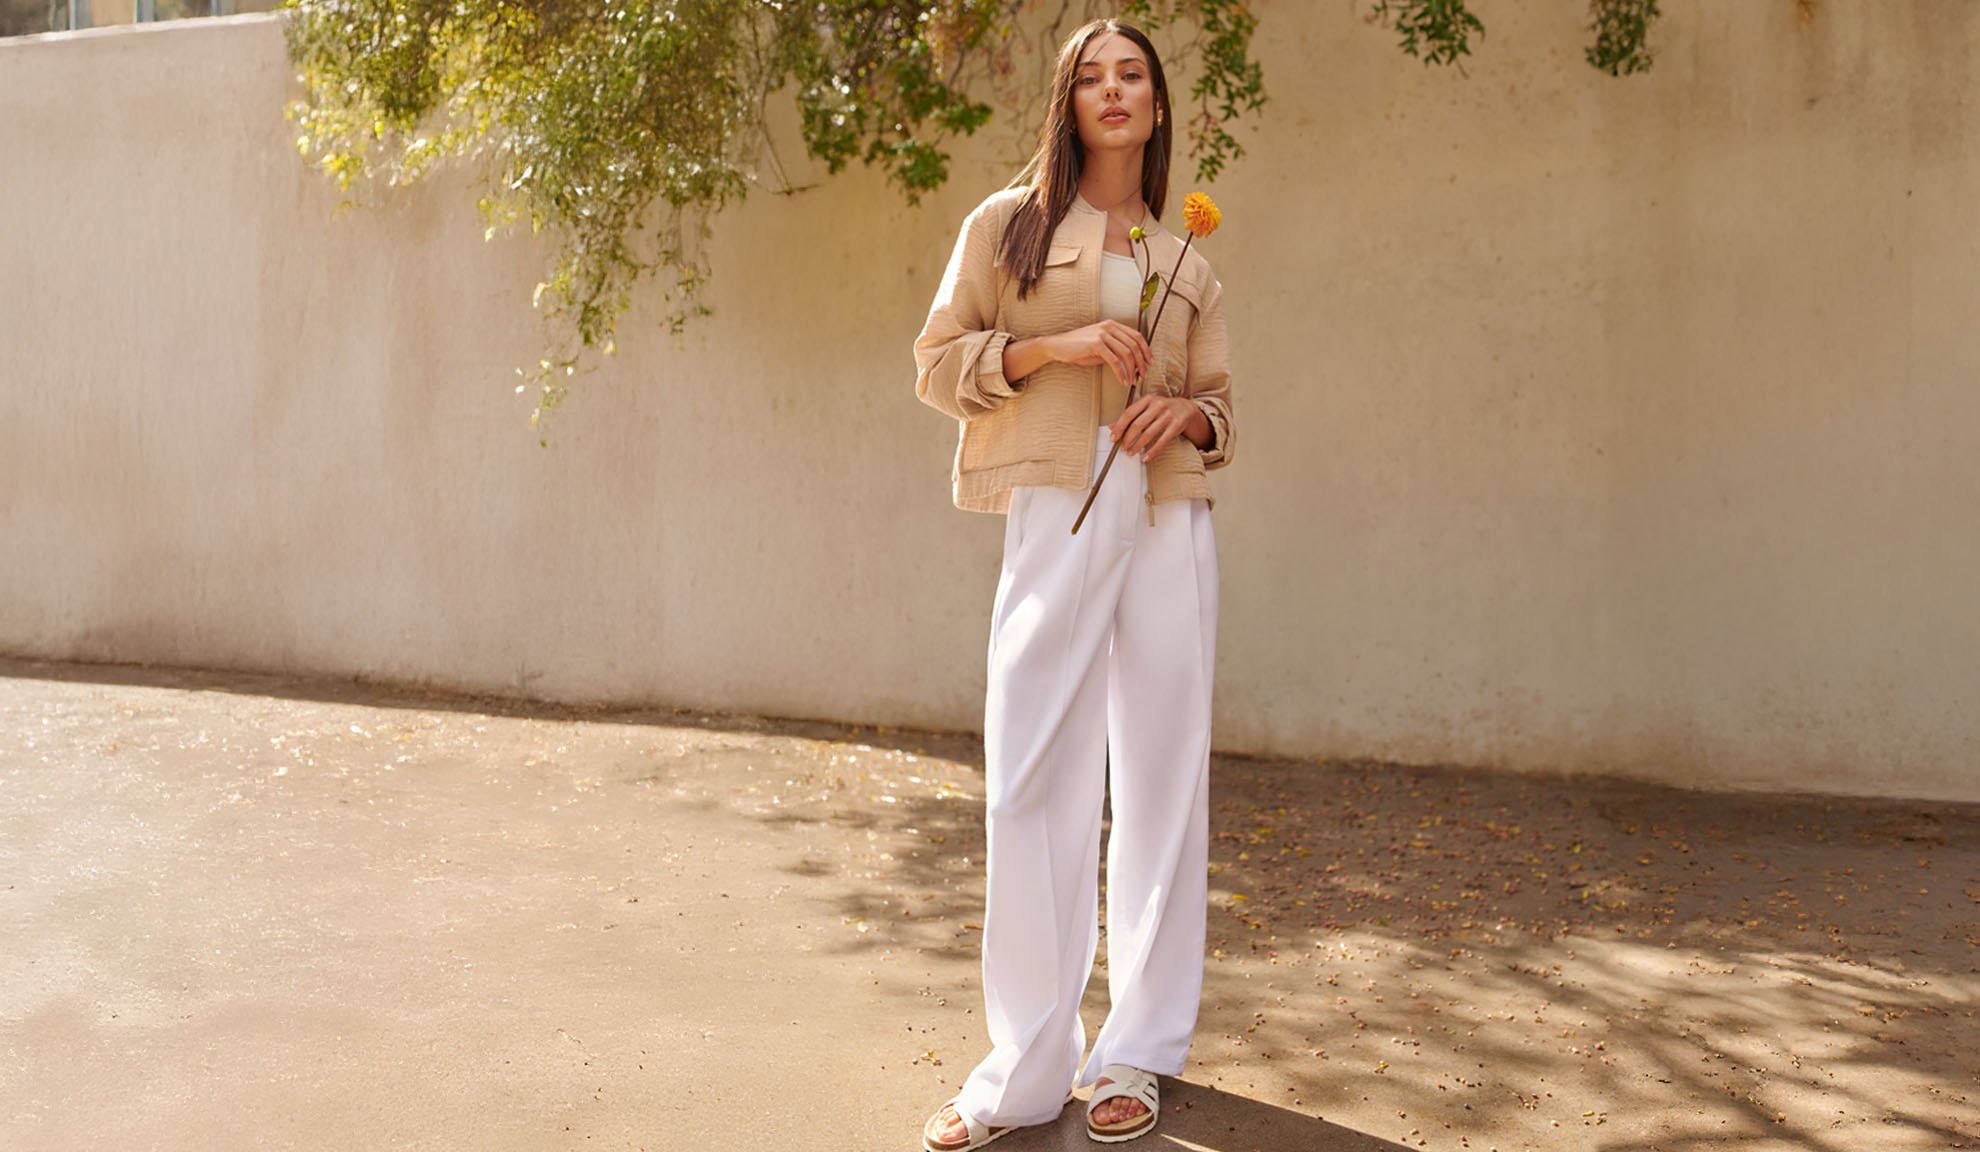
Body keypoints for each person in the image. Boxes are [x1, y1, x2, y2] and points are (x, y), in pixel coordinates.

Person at [912, 16, 1235, 1149]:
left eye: (1131, 75)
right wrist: (1064, 347)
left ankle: (1138, 1051)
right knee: (1032, 772)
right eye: (1091, 76)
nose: (1112, 91)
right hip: (1058, 506)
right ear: (1070, 99)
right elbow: (940, 363)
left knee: (1158, 778)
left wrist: (1182, 410)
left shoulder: (1187, 258)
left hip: (1167, 515)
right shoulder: (1006, 226)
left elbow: (1222, 407)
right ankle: (1023, 1067)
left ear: (1154, 105)